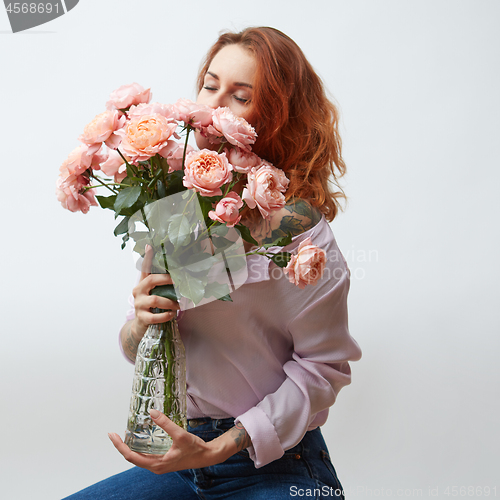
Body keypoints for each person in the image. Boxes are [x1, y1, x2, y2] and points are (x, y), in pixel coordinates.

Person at [64, 26, 362, 499]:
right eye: (210, 84)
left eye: (240, 96)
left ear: (278, 117)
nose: (215, 106)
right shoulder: (181, 209)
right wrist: (141, 321)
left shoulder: (303, 238)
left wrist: (222, 447)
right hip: (183, 461)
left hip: (280, 467)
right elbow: (135, 343)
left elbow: (324, 369)